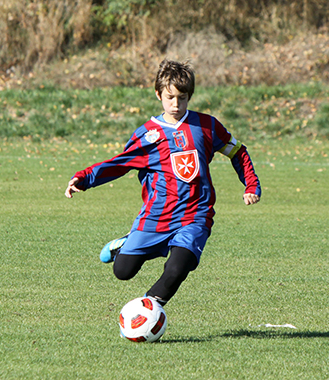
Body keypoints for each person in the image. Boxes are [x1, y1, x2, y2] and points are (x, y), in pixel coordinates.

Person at [65, 59, 261, 307]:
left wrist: (251, 185)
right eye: (170, 97)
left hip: (195, 215)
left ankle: (147, 311)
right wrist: (84, 178)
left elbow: (238, 153)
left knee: (178, 268)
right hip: (157, 215)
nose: (176, 104)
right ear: (158, 94)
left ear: (190, 96)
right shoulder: (148, 134)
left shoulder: (207, 126)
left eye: (182, 97)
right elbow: (120, 163)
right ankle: (126, 243)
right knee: (123, 271)